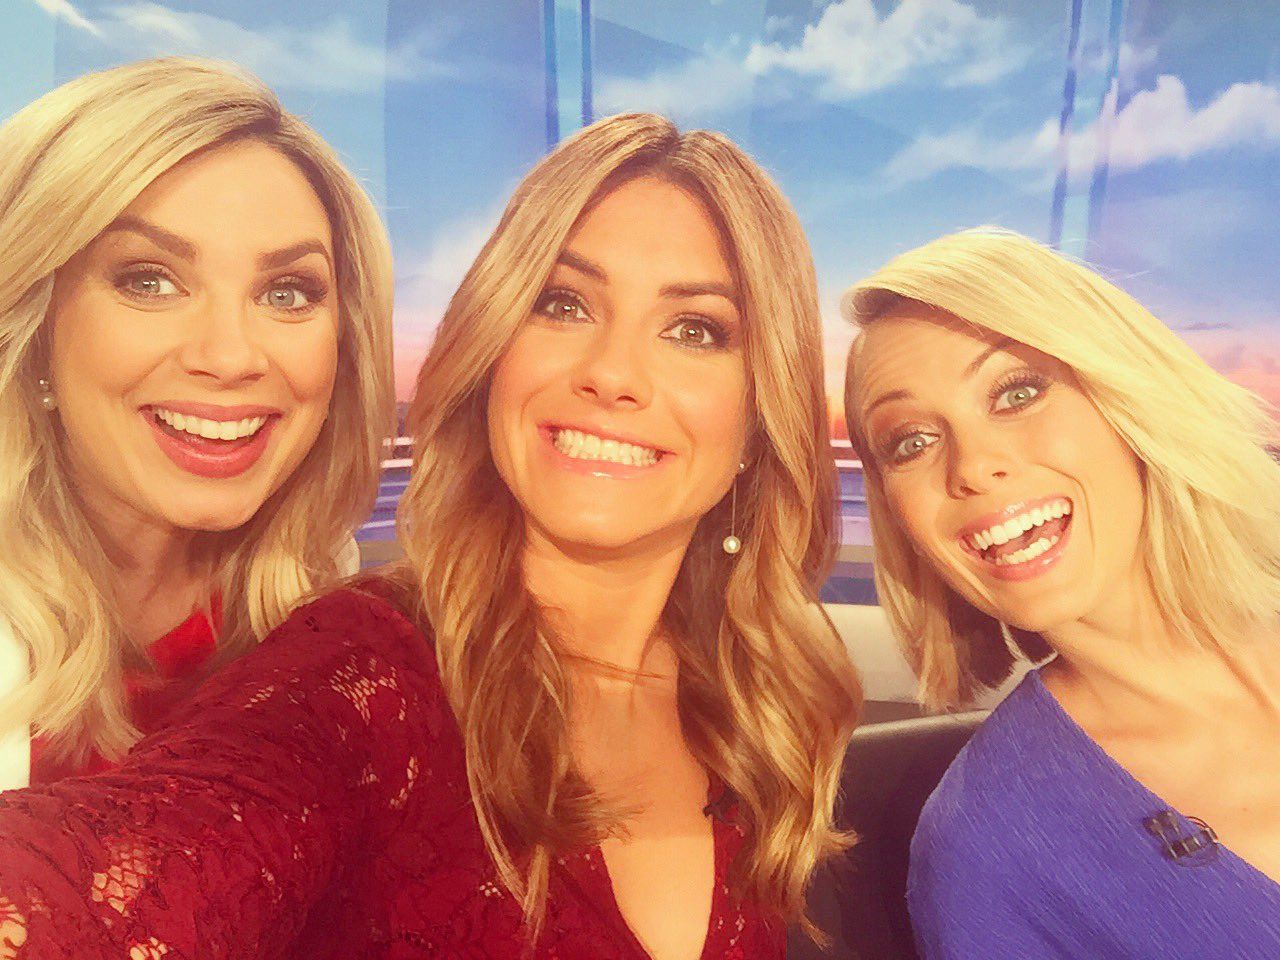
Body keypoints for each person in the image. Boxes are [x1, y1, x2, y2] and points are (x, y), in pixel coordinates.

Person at [0, 113, 860, 958]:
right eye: (562, 304)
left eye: (696, 331)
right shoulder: (361, 671)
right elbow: (120, 869)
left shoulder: (756, 706)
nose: (611, 373)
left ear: (761, 414)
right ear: (493, 352)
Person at [841, 227, 1280, 958]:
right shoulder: (986, 849)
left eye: (1016, 394)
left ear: (1126, 397)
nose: (972, 467)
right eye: (911, 441)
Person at [0, 57, 394, 788]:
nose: (231, 356)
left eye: (287, 292)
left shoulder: (325, 598)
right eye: (148, 281)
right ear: (33, 319)